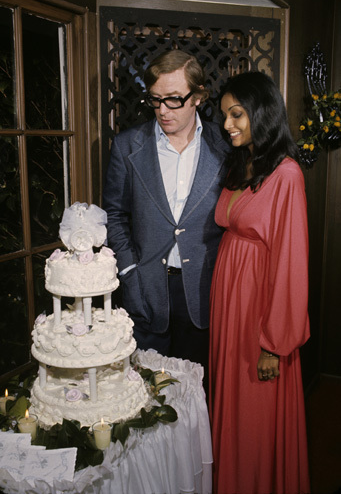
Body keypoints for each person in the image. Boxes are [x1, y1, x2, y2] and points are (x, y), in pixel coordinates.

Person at [209, 71, 311, 494]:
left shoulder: (287, 175)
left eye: (237, 115)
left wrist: (274, 341)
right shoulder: (241, 163)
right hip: (229, 304)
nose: (228, 125)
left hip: (259, 314)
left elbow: (292, 263)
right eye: (225, 116)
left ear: (262, 113)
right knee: (229, 404)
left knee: (254, 411)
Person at [103, 50, 230, 383]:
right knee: (147, 396)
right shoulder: (127, 145)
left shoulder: (227, 146)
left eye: (174, 100)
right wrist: (130, 273)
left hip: (206, 291)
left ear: (198, 96)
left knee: (198, 395)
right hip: (146, 289)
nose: (162, 110)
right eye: (155, 100)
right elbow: (114, 217)